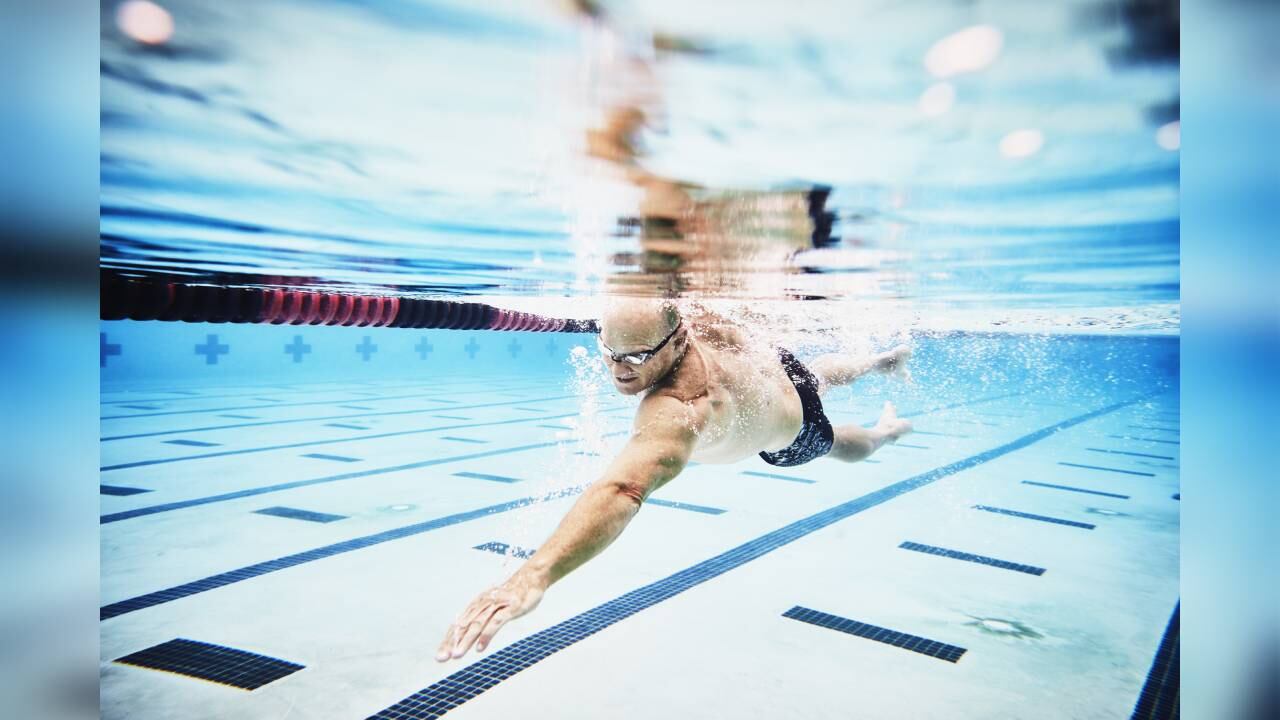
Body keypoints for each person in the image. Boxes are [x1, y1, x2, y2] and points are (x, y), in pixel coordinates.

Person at [436, 299, 913, 662]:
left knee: (836, 442)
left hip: (791, 428)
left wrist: (534, 576)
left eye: (637, 357)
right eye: (609, 353)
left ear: (679, 339)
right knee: (816, 375)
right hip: (770, 367)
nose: (620, 370)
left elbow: (624, 489)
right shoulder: (692, 314)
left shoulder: (684, 405)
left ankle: (884, 433)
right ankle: (880, 361)